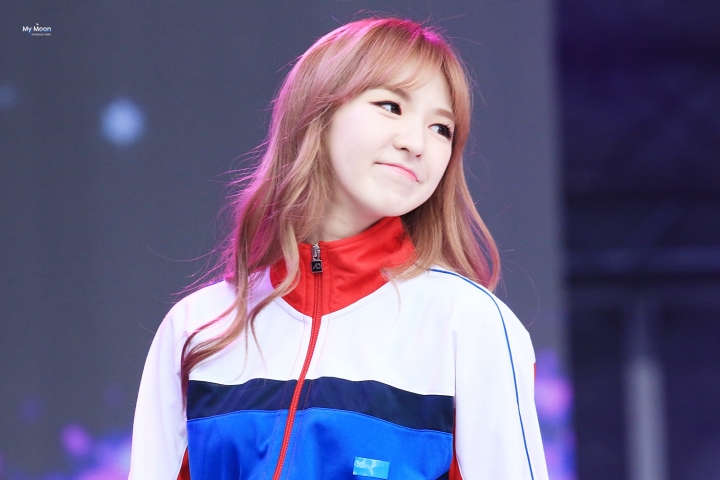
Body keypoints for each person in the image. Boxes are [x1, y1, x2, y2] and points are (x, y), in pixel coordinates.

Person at [129, 16, 549, 480]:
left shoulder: (467, 322)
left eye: (441, 128)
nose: (416, 143)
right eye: (391, 106)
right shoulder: (199, 327)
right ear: (319, 112)